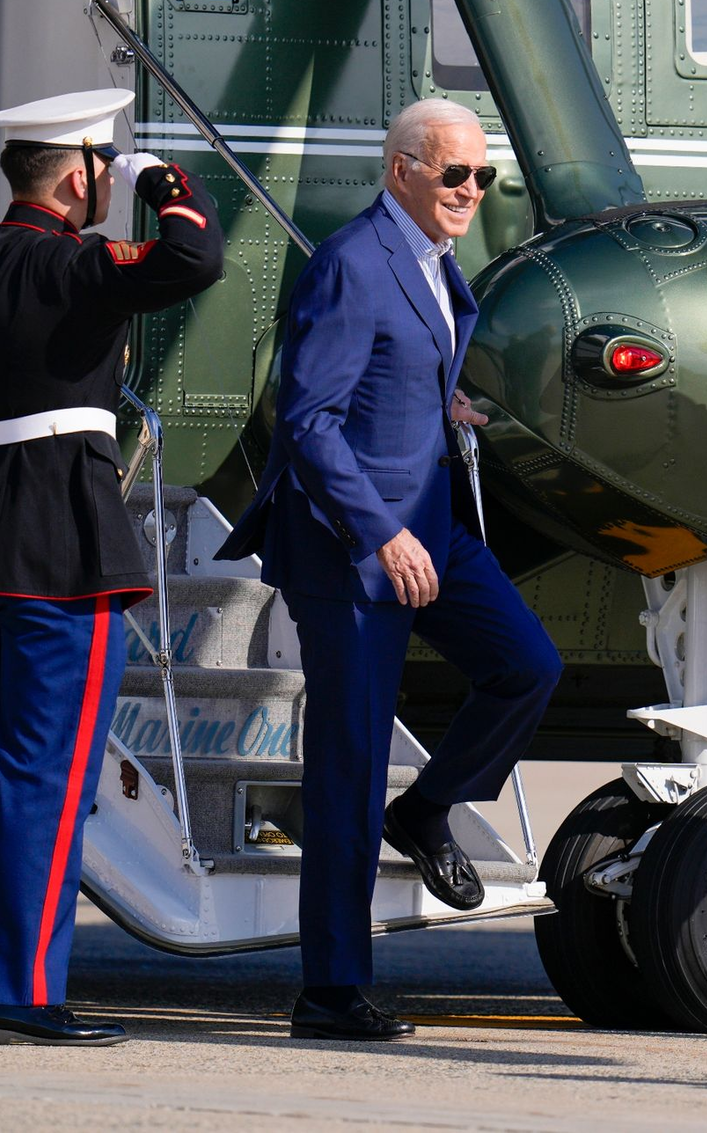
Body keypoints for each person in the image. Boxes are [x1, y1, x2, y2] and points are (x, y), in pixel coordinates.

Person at [217, 98, 562, 1041]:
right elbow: (310, 420)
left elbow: (384, 372)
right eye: (455, 174)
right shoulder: (352, 264)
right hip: (353, 546)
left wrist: (435, 404)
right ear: (402, 169)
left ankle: (432, 808)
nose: (471, 192)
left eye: (482, 177)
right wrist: (378, 533)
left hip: (427, 520)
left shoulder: (430, 262)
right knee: (348, 767)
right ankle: (329, 990)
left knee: (527, 665)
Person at [0, 89, 224, 1045]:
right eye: (103, 171)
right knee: (47, 773)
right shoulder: (75, 265)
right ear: (82, 175)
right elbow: (194, 254)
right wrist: (159, 180)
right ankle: (16, 994)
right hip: (60, 549)